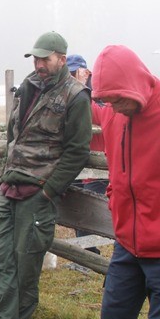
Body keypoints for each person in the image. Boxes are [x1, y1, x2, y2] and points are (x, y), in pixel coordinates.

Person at [0, 31, 92, 319]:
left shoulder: (76, 97)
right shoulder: (28, 86)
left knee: (25, 266)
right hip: (10, 186)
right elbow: (14, 134)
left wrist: (50, 190)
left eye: (45, 58)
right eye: (35, 58)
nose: (39, 64)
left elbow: (77, 151)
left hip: (38, 192)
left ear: (61, 59)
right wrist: (8, 164)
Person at [72, 45, 160, 319]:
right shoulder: (113, 115)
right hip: (127, 242)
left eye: (120, 99)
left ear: (136, 85)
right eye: (107, 100)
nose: (115, 107)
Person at [67, 54, 111, 253]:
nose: (70, 76)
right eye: (67, 72)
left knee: (92, 211)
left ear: (84, 71)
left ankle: (91, 254)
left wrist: (81, 91)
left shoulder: (98, 91)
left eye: (74, 72)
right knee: (76, 209)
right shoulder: (65, 90)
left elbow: (102, 117)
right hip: (76, 160)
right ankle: (86, 254)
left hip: (98, 163)